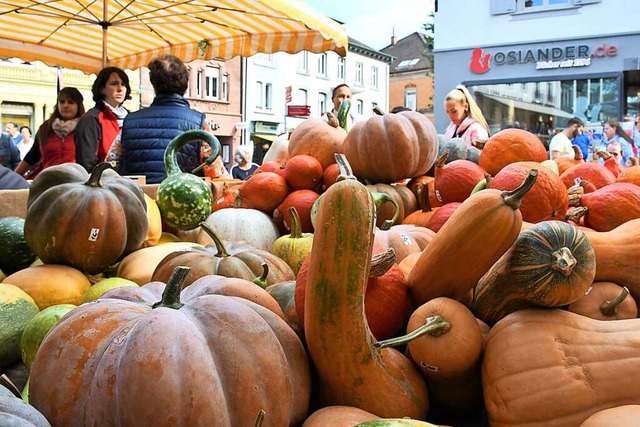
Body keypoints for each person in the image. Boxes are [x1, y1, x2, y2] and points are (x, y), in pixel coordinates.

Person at [120, 55, 206, 184]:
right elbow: (215, 171)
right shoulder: (198, 122)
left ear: (154, 85)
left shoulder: (129, 121)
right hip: (184, 199)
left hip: (139, 199)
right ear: (185, 84)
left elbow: (114, 163)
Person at [14, 87, 85, 177]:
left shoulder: (86, 128)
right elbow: (32, 156)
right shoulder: (45, 128)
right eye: (62, 102)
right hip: (48, 181)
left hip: (77, 182)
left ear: (78, 105)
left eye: (71, 102)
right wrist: (13, 177)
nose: (65, 105)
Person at [75, 67, 131, 172]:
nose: (120, 88)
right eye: (114, 84)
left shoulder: (131, 118)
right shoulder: (91, 119)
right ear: (102, 89)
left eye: (123, 84)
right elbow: (86, 162)